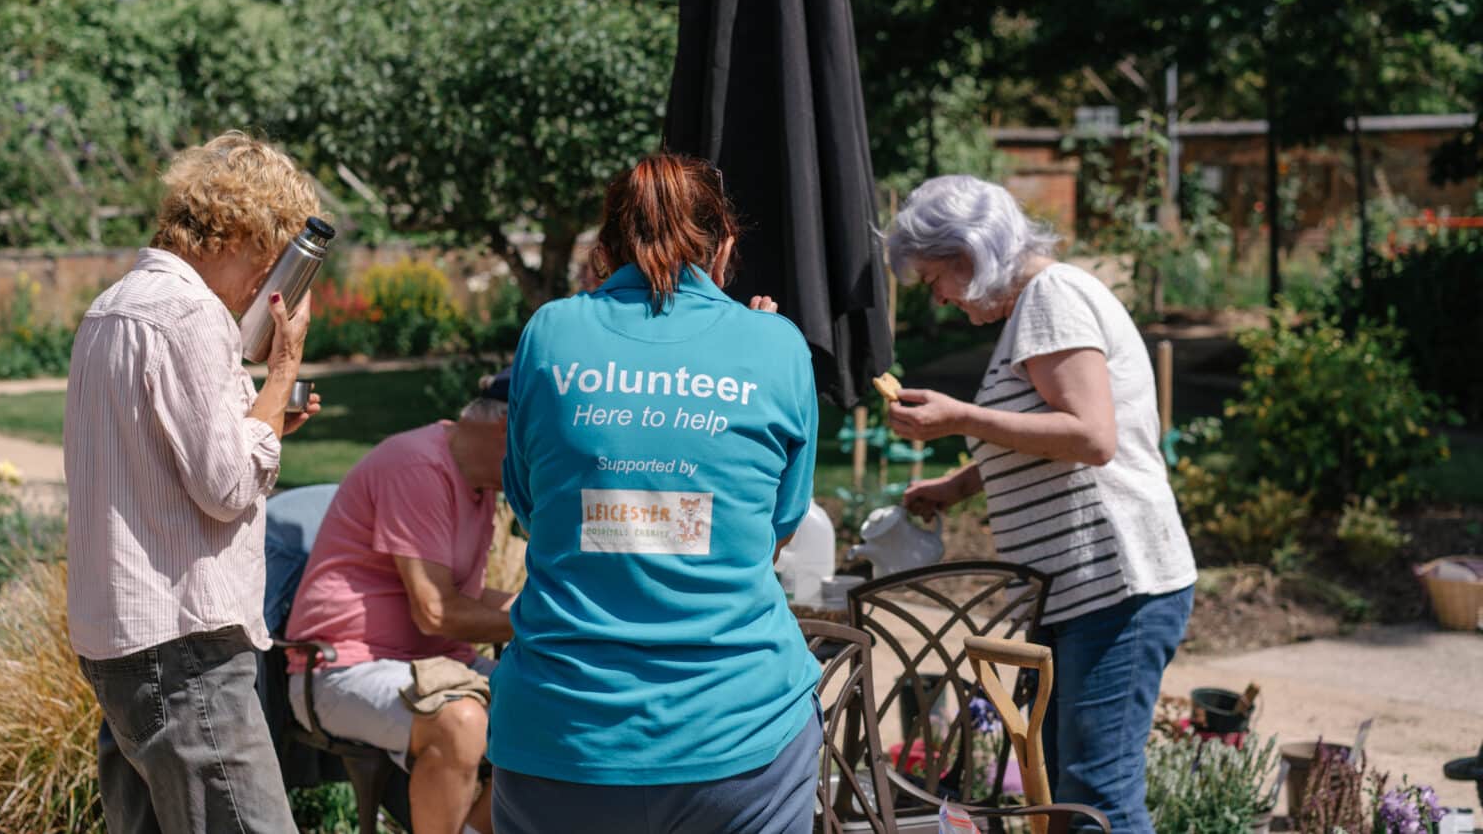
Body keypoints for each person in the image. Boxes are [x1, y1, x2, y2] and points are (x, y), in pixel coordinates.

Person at [488, 153, 823, 834]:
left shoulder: (550, 332)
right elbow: (777, 528)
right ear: (725, 243)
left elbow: (532, 507)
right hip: (739, 732)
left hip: (564, 732)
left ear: (605, 250)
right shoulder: (777, 346)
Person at [882, 174, 1197, 833]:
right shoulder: (1032, 309)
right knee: (1063, 796)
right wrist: (959, 485)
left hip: (1115, 587)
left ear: (969, 253)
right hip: (1082, 593)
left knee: (1096, 801)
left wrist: (960, 415)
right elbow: (1041, 434)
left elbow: (1091, 436)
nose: (935, 297)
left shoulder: (1052, 296)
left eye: (933, 277)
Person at [65, 132, 322, 834]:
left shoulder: (112, 307)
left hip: (123, 636)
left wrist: (261, 420)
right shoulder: (190, 316)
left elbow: (165, 456)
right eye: (272, 255)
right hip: (186, 645)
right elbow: (229, 484)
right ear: (243, 230)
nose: (268, 280)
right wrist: (282, 370)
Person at [283, 372, 516, 834]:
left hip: (429, 661)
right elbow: (434, 611)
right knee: (462, 722)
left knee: (559, 707)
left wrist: (547, 606)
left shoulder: (480, 480)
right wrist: (550, 620)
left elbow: (460, 598)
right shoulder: (419, 467)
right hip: (341, 668)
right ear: (508, 430)